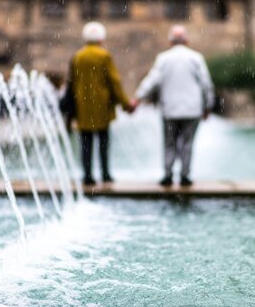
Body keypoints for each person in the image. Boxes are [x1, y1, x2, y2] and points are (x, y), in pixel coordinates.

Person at [133, 25, 214, 187]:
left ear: (170, 41)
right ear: (187, 41)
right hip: (192, 109)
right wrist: (207, 106)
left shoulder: (163, 58)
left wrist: (137, 98)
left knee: (169, 142)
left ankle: (167, 175)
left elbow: (152, 80)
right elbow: (206, 84)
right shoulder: (196, 58)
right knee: (187, 143)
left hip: (169, 109)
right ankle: (185, 176)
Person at [67, 21, 134, 185]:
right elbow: (114, 82)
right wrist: (126, 104)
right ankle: (105, 174)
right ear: (101, 38)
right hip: (102, 105)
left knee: (86, 141)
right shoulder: (104, 56)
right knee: (103, 141)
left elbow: (72, 82)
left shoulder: (78, 56)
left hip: (83, 105)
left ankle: (87, 175)